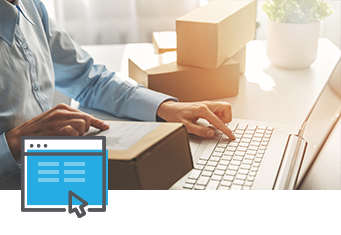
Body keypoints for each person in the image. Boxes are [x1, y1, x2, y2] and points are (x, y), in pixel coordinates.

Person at [0, 0, 235, 189]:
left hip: (51, 172)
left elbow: (88, 79)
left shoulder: (31, 7)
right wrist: (13, 141)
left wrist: (165, 107)